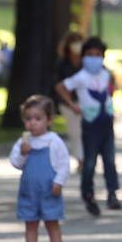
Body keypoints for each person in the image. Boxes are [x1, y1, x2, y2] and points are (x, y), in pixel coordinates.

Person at [56, 36, 119, 216]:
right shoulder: (80, 77)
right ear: (83, 57)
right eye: (90, 55)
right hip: (90, 124)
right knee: (89, 161)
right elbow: (61, 87)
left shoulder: (106, 74)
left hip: (106, 122)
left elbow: (110, 89)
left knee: (109, 159)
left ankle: (112, 192)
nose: (94, 58)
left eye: (97, 54)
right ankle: (88, 194)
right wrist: (72, 104)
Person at [9, 95, 69, 242]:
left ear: (49, 120)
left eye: (38, 118)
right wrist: (23, 153)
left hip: (50, 189)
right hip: (29, 190)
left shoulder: (54, 141)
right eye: (28, 119)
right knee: (30, 223)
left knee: (52, 222)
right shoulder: (24, 142)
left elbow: (63, 164)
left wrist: (59, 181)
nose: (32, 123)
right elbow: (16, 163)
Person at [54, 31, 85, 171]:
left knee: (85, 132)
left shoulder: (86, 62)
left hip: (84, 102)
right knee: (75, 132)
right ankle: (80, 160)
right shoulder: (62, 63)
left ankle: (87, 158)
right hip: (68, 103)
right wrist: (71, 104)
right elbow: (59, 85)